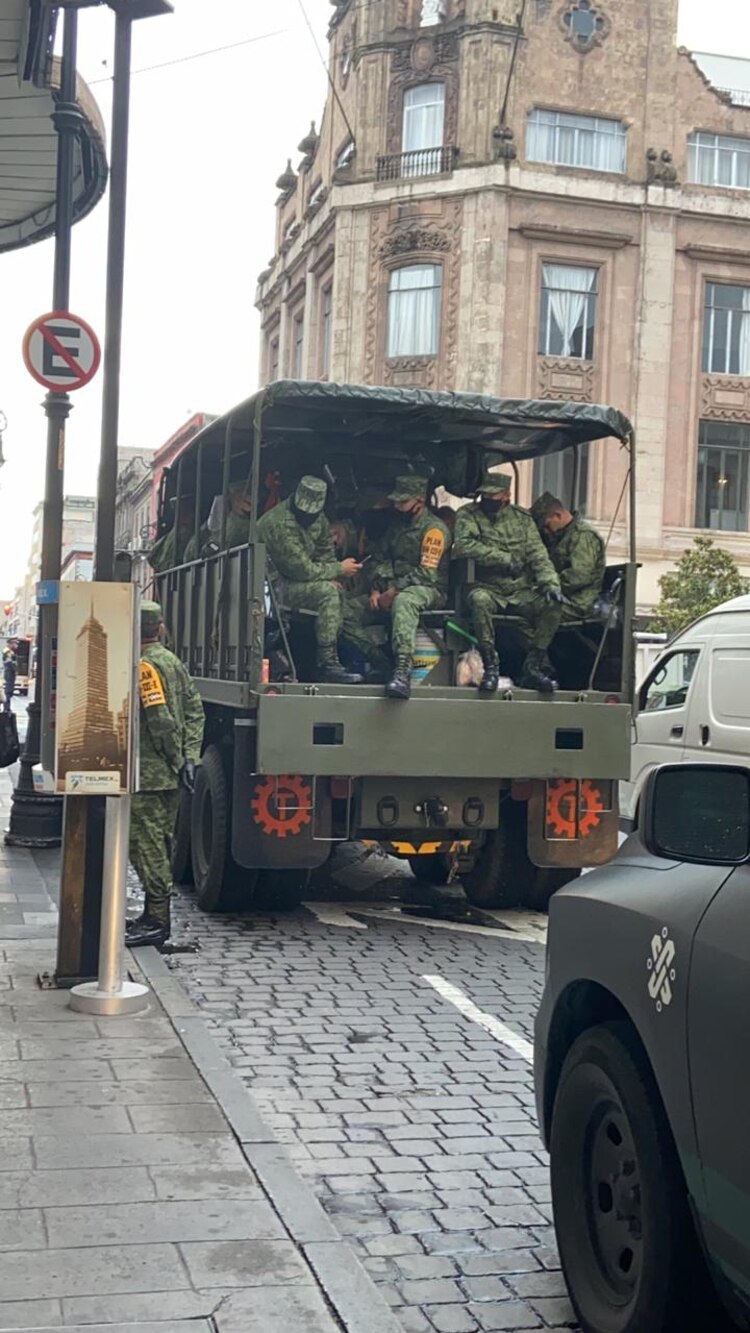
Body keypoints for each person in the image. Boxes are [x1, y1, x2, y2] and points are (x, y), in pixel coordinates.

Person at [127, 602, 205, 949]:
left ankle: (157, 920)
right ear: (159, 628)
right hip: (168, 774)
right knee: (160, 843)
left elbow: (160, 721)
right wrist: (190, 757)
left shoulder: (145, 667)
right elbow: (194, 710)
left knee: (147, 847)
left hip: (150, 773)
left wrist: (175, 758)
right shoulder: (173, 662)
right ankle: (151, 914)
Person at [342, 476, 451, 701]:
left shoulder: (435, 530)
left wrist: (394, 591)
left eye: (403, 502)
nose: (397, 506)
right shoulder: (397, 527)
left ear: (420, 500)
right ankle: (381, 663)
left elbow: (427, 573)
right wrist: (377, 589)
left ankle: (402, 670)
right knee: (343, 611)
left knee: (405, 601)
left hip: (428, 590)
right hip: (390, 590)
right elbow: (381, 558)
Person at [453, 471, 563, 693]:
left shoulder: (522, 520)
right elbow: (464, 545)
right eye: (485, 495)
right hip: (487, 587)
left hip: (518, 591)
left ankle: (533, 666)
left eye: (493, 496)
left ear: (506, 495)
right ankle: (490, 666)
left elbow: (538, 556)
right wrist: (502, 558)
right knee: (479, 600)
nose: (488, 500)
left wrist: (551, 583)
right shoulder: (468, 514)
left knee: (553, 604)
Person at [257, 475, 364, 685]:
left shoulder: (319, 519)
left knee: (336, 592)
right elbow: (300, 570)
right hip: (272, 588)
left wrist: (333, 575)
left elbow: (325, 551)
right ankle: (327, 664)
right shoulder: (278, 523)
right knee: (328, 593)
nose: (307, 516)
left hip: (298, 582)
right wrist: (339, 568)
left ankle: (371, 657)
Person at [530, 493, 606, 620]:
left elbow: (579, 575)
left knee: (535, 611)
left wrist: (547, 585)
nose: (545, 531)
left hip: (579, 602)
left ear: (558, 515)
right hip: (561, 596)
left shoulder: (583, 535)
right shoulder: (561, 536)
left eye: (546, 525)